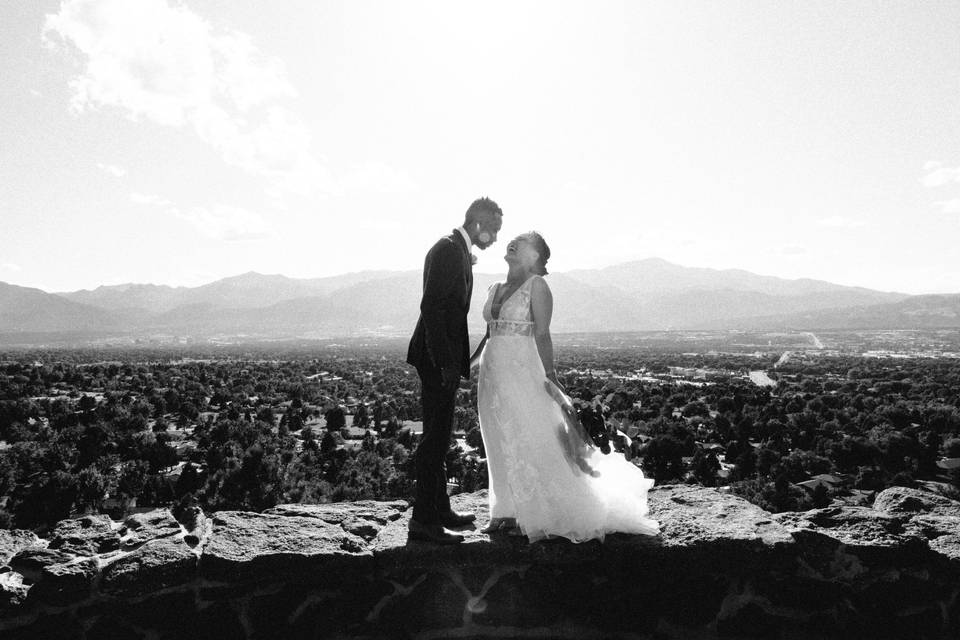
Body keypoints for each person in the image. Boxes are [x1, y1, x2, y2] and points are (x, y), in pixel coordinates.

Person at [472, 232, 659, 542]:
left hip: (523, 370)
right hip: (493, 373)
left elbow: (543, 335)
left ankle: (532, 511)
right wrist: (471, 363)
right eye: (512, 240)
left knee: (528, 433)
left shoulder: (538, 287)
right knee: (494, 433)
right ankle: (502, 511)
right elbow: (490, 334)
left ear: (535, 256)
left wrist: (550, 375)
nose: (513, 244)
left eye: (523, 243)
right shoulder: (494, 288)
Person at [406, 197, 503, 544]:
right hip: (436, 359)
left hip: (440, 358)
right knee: (434, 440)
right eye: (493, 230)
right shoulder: (448, 250)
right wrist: (446, 362)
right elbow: (431, 308)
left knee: (441, 434)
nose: (494, 239)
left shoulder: (457, 250)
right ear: (478, 223)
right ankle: (424, 522)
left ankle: (440, 508)